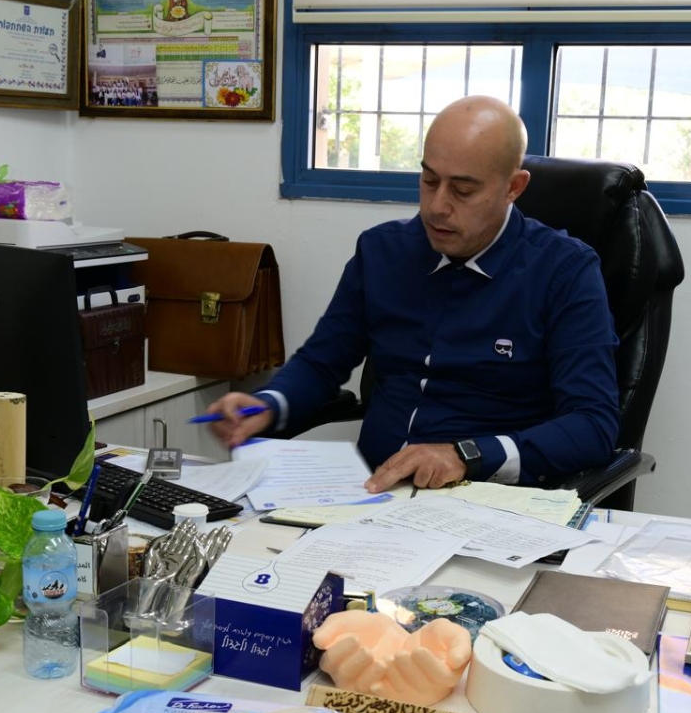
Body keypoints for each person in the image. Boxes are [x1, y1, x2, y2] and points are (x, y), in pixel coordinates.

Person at [204, 95, 620, 494]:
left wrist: (467, 455)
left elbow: (593, 424)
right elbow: (320, 364)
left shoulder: (565, 271)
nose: (437, 206)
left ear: (513, 187)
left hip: (487, 500)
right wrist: (268, 405)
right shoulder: (382, 252)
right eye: (429, 180)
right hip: (369, 494)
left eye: (463, 190)